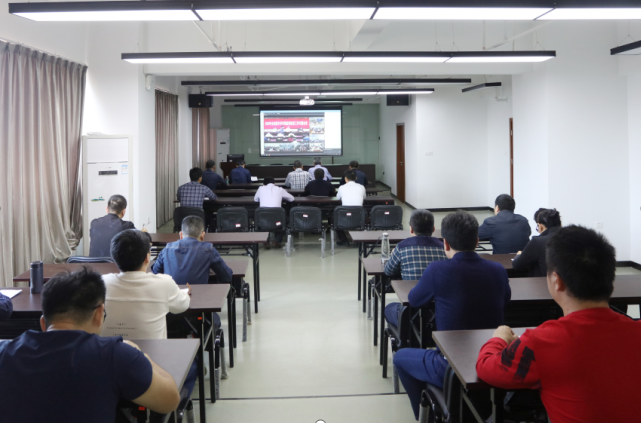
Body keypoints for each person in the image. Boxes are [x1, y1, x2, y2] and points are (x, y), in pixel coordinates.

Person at [477, 225, 641, 423]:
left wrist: (499, 338)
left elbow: (486, 367)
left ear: (557, 281)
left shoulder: (540, 342)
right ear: (611, 282)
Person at [0, 267, 180, 422]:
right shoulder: (116, 355)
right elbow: (170, 400)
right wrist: (141, 355)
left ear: (43, 323)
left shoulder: (4, 352)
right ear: (99, 314)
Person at [394, 210, 511, 420]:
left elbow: (414, 300)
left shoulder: (438, 270)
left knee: (400, 357)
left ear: (445, 243)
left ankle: (427, 415)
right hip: (494, 359)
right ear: (477, 241)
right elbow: (506, 299)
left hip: (450, 366)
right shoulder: (498, 270)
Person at [101, 229, 191, 340]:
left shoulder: (100, 284)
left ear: (114, 257)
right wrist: (185, 294)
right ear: (147, 258)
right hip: (152, 351)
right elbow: (182, 305)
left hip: (111, 351)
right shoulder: (164, 283)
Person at [383, 209, 447, 327]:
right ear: (433, 229)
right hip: (438, 313)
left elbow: (388, 271)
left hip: (411, 311)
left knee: (389, 308)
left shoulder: (402, 247)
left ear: (411, 229)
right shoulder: (444, 247)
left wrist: (394, 257)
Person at [152, 215, 232, 286]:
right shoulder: (209, 250)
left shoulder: (167, 249)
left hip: (171, 296)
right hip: (200, 297)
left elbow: (155, 272)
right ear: (202, 235)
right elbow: (227, 276)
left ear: (180, 235)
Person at [512, 208, 562, 277]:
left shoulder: (537, 242)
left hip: (543, 282)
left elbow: (517, 265)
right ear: (560, 224)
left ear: (540, 226)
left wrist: (519, 255)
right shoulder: (572, 238)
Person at [254, 177, 295, 248]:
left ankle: (265, 241)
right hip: (277, 217)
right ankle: (277, 240)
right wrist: (281, 197)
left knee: (261, 220)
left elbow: (255, 199)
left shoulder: (260, 188)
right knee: (285, 220)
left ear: (263, 184)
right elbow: (292, 198)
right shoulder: (279, 189)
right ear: (274, 183)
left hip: (263, 217)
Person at [335, 170, 367, 246]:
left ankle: (344, 240)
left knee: (334, 220)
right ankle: (358, 240)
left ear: (345, 178)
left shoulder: (341, 187)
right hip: (359, 217)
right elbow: (364, 197)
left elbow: (337, 198)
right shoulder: (362, 187)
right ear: (356, 178)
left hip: (345, 217)